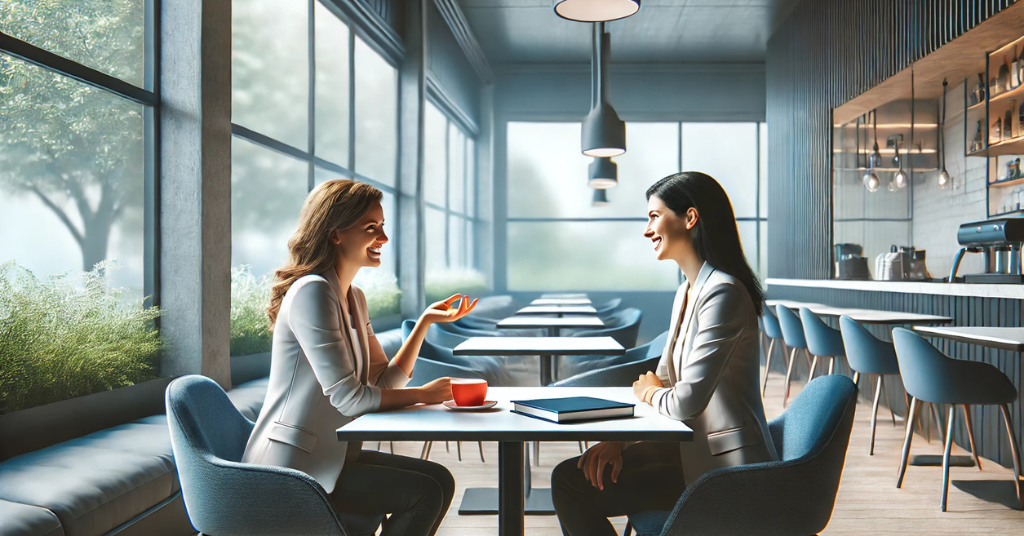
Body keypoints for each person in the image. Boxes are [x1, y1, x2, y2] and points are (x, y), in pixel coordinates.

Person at [242, 179, 477, 536]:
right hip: (293, 468)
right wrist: (424, 395)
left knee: (439, 478)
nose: (383, 238)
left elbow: (384, 381)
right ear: (335, 233)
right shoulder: (312, 293)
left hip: (331, 457)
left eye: (382, 227)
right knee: (425, 491)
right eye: (371, 228)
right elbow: (349, 398)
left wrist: (425, 321)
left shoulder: (354, 297)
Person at [551, 171, 778, 536]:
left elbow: (683, 400)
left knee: (570, 483)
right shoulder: (687, 291)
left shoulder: (724, 293)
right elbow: (666, 380)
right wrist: (619, 439)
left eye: (654, 216)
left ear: (690, 218)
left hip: (724, 471)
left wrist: (650, 393)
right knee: (573, 475)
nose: (647, 230)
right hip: (689, 454)